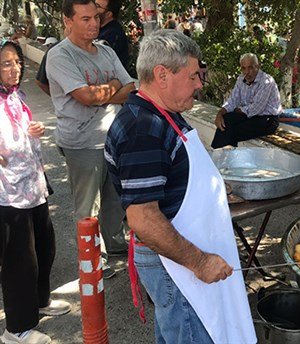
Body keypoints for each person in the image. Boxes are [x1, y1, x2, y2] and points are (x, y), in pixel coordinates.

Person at [105, 29, 255, 344]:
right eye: (192, 77)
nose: (200, 85)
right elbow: (143, 218)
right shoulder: (142, 130)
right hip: (177, 267)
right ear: (162, 75)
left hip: (186, 256)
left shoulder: (165, 112)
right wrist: (199, 262)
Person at [46, 0, 135, 278]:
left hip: (114, 137)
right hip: (82, 142)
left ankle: (114, 242)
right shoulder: (61, 55)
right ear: (67, 21)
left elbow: (131, 87)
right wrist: (112, 87)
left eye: (95, 18)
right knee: (88, 206)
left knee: (114, 198)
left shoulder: (106, 51)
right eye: (85, 19)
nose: (94, 24)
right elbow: (85, 97)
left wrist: (100, 92)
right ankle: (93, 257)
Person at [0, 39, 71, 344]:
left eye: (17, 62)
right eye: (6, 63)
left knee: (45, 247)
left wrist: (36, 131)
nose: (14, 69)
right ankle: (17, 328)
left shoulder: (17, 96)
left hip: (33, 185)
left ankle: (41, 300)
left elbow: (21, 133)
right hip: (8, 193)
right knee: (20, 261)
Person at [211, 53, 281, 148]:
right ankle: (220, 155)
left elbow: (256, 108)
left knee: (232, 130)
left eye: (250, 68)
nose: (247, 72)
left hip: (267, 119)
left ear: (257, 67)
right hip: (248, 115)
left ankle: (219, 156)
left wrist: (238, 110)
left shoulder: (267, 81)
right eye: (243, 68)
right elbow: (233, 100)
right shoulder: (241, 79)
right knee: (226, 120)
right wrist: (220, 113)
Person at [95, 0, 130, 70]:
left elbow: (100, 64)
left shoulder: (113, 34)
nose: (93, 9)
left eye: (97, 6)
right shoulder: (98, 28)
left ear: (108, 14)